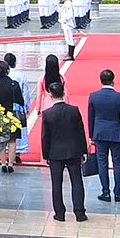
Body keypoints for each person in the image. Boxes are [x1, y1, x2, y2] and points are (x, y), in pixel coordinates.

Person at [40, 79, 89, 223]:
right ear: (63, 93)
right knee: (77, 181)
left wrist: (46, 154)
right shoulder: (73, 110)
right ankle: (79, 212)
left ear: (50, 95)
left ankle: (59, 213)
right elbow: (81, 132)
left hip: (55, 153)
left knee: (57, 183)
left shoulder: (48, 113)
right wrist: (83, 151)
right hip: (73, 151)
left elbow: (45, 137)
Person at [86, 69, 120, 203]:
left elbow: (91, 117)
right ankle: (118, 193)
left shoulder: (94, 96)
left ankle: (105, 192)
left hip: (99, 133)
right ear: (113, 80)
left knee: (102, 163)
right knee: (118, 164)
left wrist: (91, 135)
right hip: (116, 133)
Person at [0, 60, 25, 174]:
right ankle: (11, 163)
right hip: (11, 114)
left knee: (2, 140)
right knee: (12, 140)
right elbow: (20, 101)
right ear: (8, 70)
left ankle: (3, 163)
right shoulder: (14, 84)